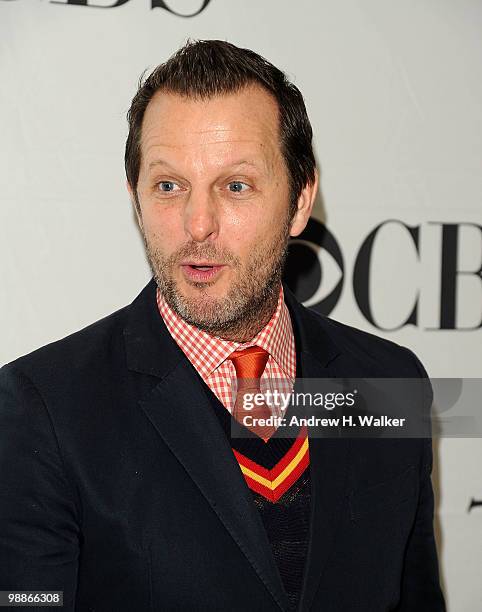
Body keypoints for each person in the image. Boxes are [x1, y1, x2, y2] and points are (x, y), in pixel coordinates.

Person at [0, 40, 445, 611]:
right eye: (169, 185)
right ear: (135, 200)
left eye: (236, 185)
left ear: (300, 199)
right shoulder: (43, 409)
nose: (198, 223)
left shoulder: (389, 380)